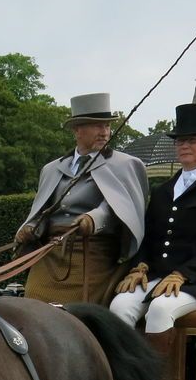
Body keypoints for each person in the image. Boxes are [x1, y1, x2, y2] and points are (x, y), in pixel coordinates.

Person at [108, 99, 196, 358]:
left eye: (192, 140)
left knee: (160, 308)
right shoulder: (162, 190)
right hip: (157, 277)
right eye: (180, 140)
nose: (184, 145)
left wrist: (183, 274)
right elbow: (148, 237)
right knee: (120, 305)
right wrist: (141, 265)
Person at [15, 93, 149, 305]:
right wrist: (31, 227)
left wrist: (94, 219)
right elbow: (42, 210)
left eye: (107, 126)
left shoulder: (126, 164)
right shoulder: (51, 169)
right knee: (32, 305)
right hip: (50, 254)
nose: (104, 132)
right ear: (77, 130)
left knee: (73, 313)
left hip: (95, 253)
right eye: (97, 126)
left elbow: (121, 207)